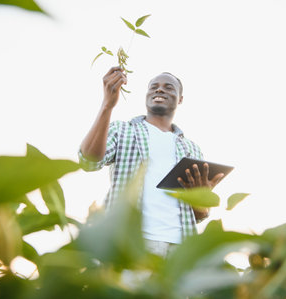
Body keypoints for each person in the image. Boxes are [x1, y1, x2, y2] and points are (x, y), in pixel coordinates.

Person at [79, 66, 224, 257]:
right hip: (129, 243)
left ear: (180, 99)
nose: (160, 89)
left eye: (169, 87)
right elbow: (88, 161)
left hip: (180, 250)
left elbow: (199, 215)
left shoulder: (192, 149)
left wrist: (202, 198)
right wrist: (108, 104)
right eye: (153, 86)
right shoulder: (122, 130)